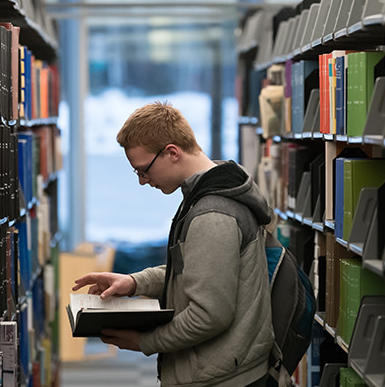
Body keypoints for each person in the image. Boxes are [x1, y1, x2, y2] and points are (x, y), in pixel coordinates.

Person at [72, 101, 275, 387]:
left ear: (171, 152)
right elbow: (197, 270)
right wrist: (134, 282)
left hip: (222, 378)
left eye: (143, 170)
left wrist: (146, 341)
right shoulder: (206, 193)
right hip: (223, 369)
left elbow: (208, 316)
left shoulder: (212, 214)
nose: (143, 181)